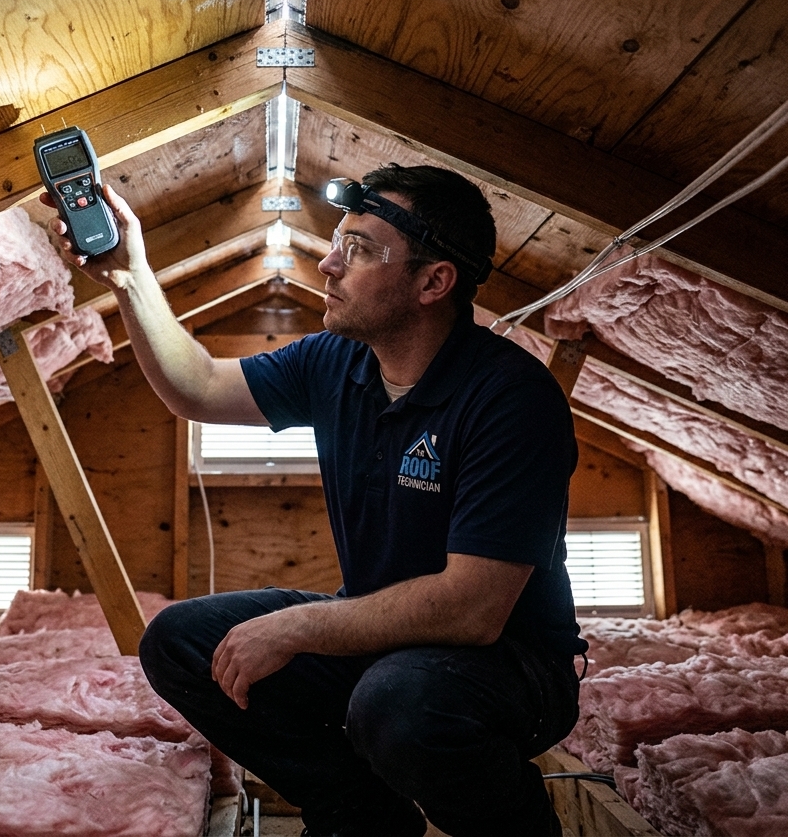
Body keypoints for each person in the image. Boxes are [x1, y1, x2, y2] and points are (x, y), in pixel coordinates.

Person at [43, 163, 587, 837]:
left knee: (398, 703)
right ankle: (359, 815)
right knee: (182, 643)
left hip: (510, 664)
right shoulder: (336, 361)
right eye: (338, 241)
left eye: (358, 251)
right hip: (383, 637)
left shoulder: (510, 398)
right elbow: (201, 387)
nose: (327, 264)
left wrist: (296, 629)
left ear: (433, 281)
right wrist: (131, 276)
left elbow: (473, 609)